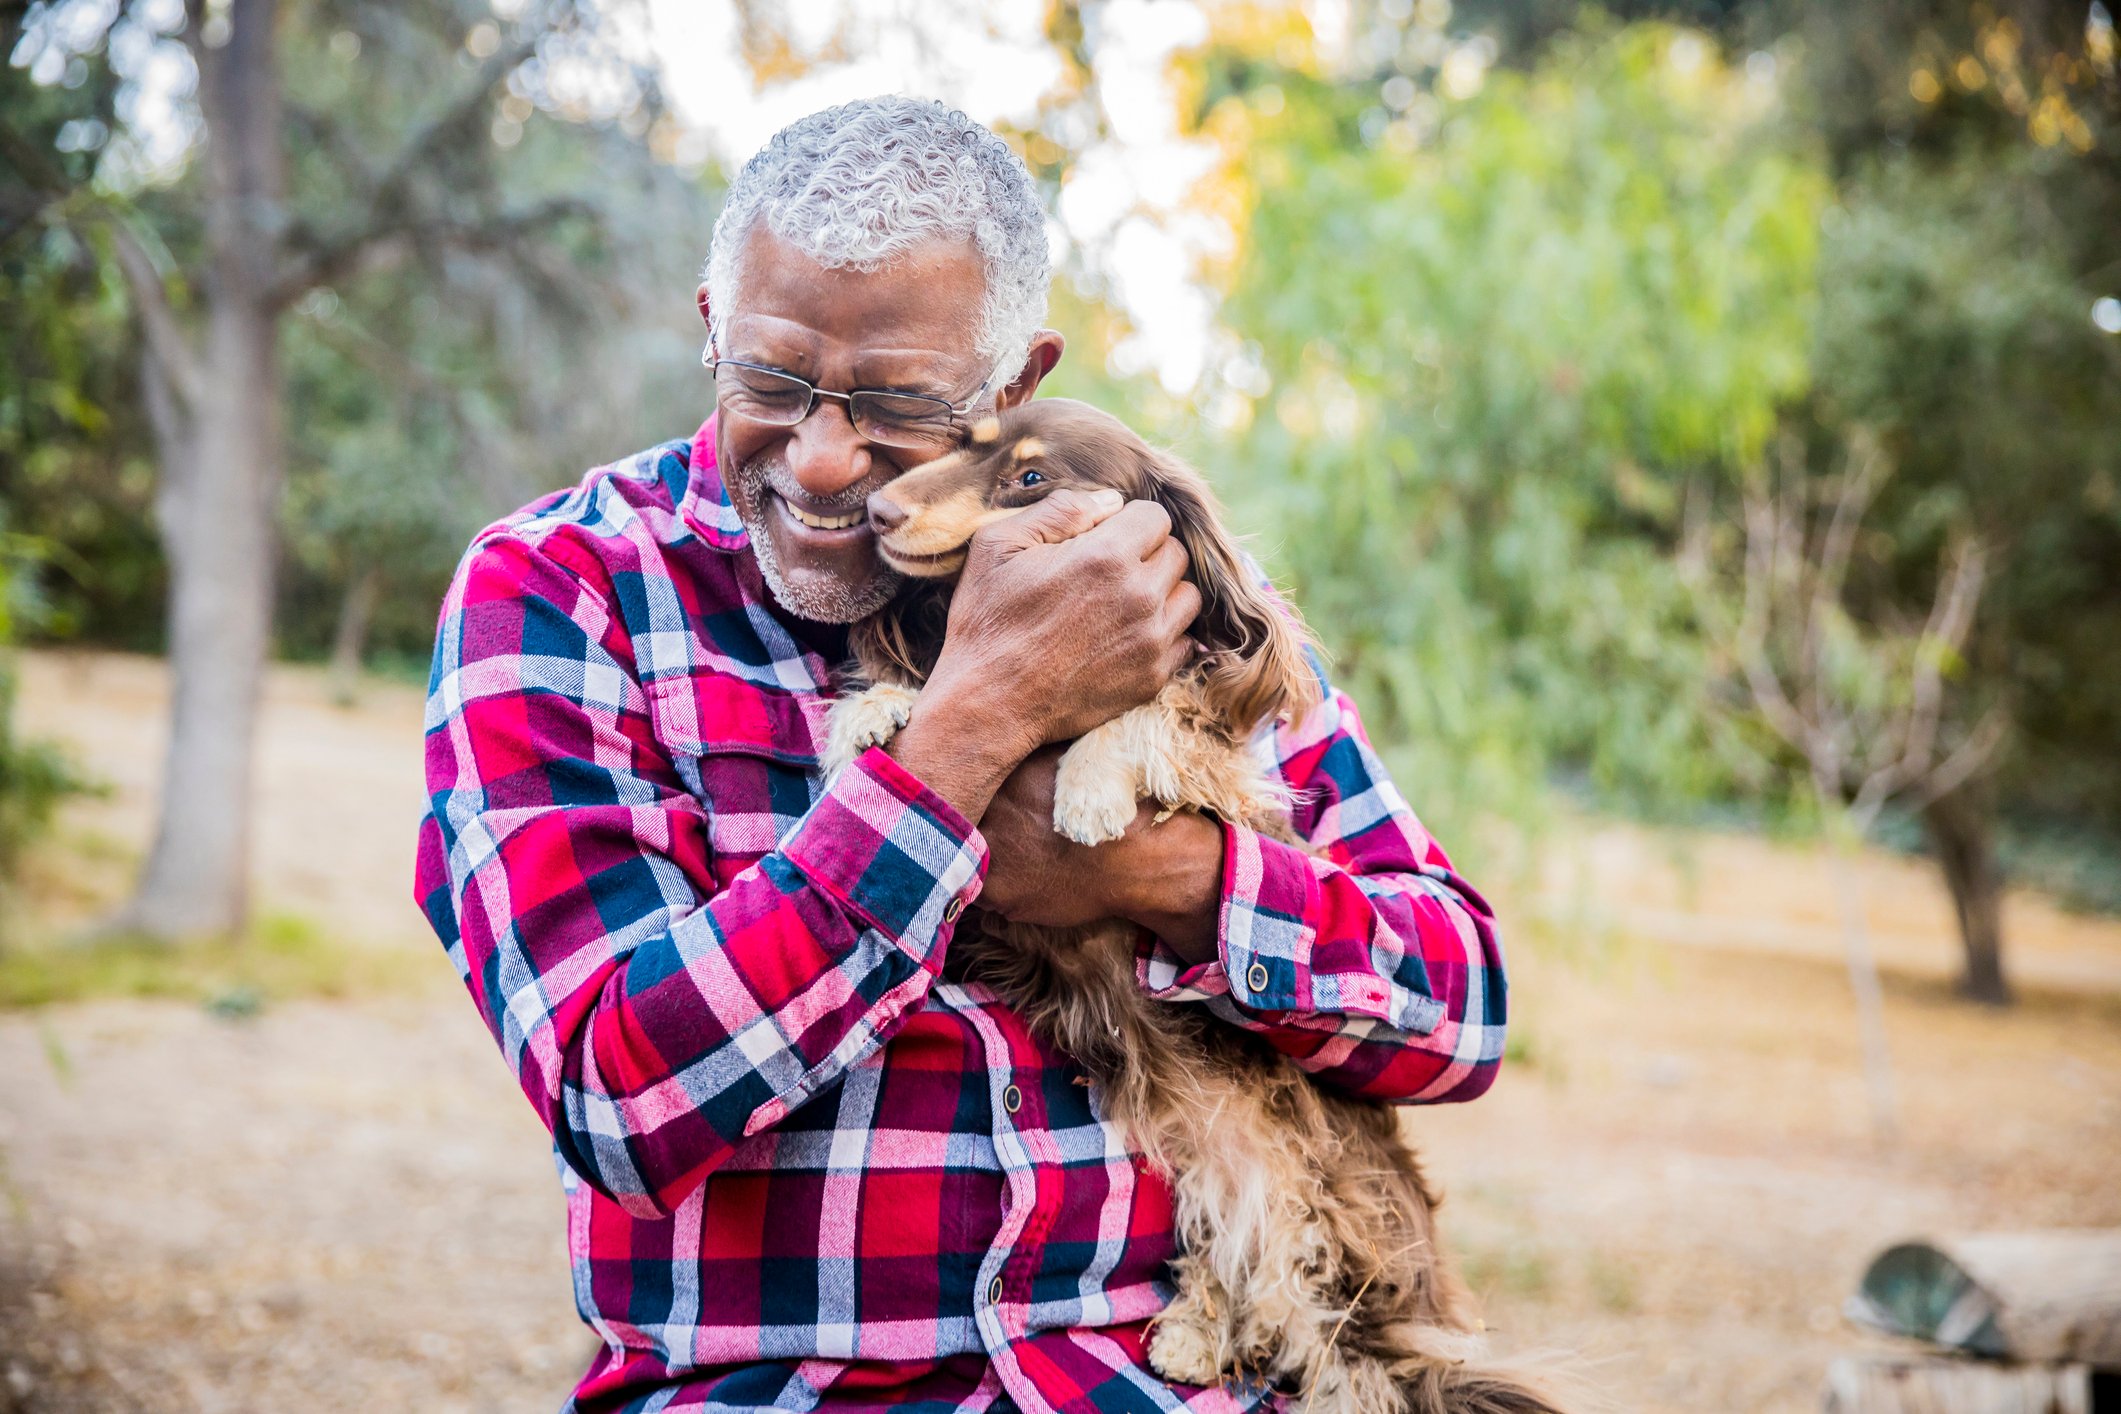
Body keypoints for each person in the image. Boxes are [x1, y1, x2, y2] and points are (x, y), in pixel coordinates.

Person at [414, 96, 1507, 1414]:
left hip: (1173, 1376)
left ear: (1015, 388)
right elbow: (618, 1100)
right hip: (784, 1389)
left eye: (896, 401)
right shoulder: (558, 592)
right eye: (769, 383)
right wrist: (973, 726)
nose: (824, 461)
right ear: (711, 326)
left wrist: (1161, 877)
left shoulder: (1153, 586)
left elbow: (1461, 1011)